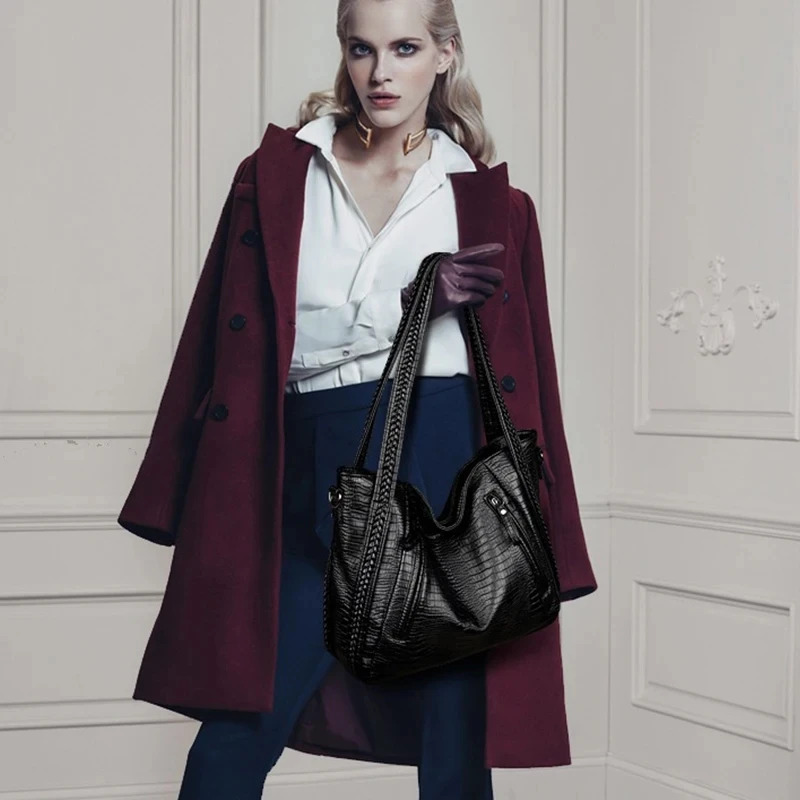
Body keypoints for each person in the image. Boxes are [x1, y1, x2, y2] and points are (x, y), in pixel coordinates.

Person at [118, 0, 598, 796]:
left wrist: (556, 528)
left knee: (455, 745)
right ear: (343, 53)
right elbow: (245, 341)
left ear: (445, 54)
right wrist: (406, 305)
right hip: (310, 464)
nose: (381, 73)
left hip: (447, 471)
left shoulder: (491, 205)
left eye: (405, 48)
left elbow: (532, 377)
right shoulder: (277, 180)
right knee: (238, 733)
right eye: (361, 48)